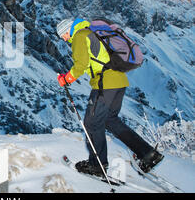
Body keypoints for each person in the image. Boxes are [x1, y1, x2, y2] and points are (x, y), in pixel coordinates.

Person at [56, 18, 164, 176]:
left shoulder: (80, 36)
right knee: (109, 120)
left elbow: (80, 64)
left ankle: (97, 164)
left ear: (67, 30)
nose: (64, 39)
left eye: (63, 36)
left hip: (104, 83)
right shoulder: (92, 32)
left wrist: (66, 79)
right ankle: (148, 154)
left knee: (91, 122)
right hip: (119, 81)